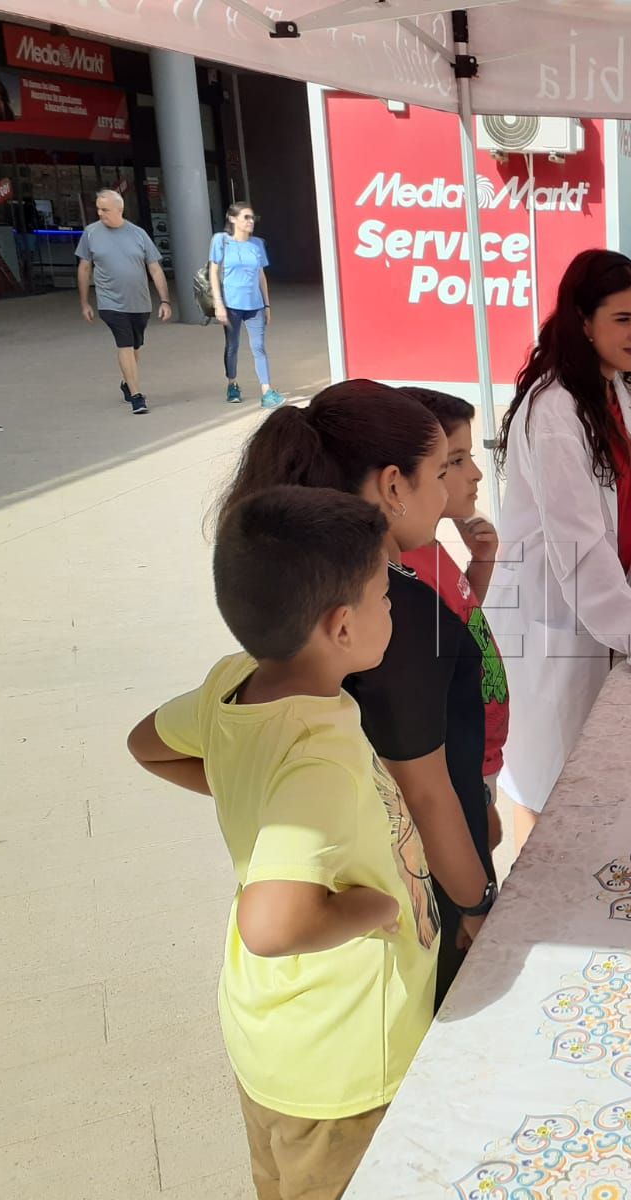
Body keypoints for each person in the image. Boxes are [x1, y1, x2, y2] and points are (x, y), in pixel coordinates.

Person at [125, 485, 438, 1200]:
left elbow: (147, 743)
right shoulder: (318, 753)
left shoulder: (233, 683)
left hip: (275, 1036)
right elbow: (270, 926)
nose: (392, 608)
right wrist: (375, 910)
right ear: (341, 627)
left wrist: (248, 795)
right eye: (383, 599)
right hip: (345, 1062)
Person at [219, 382, 495, 1005]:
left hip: (374, 872)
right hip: (422, 886)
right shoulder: (398, 614)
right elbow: (426, 791)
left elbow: (167, 741)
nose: (451, 486)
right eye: (439, 471)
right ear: (394, 486)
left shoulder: (317, 594)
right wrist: (478, 904)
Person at [488, 249, 631, 847]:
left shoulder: (620, 394)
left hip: (596, 610)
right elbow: (576, 540)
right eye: (622, 320)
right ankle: (535, 907)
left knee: (589, 760)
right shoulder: (555, 410)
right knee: (546, 773)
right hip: (550, 618)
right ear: (583, 321)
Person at [399, 388, 511, 858]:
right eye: (456, 461)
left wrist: (481, 563)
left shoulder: (432, 546)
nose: (476, 473)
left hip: (478, 758)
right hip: (455, 766)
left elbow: (458, 628)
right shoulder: (404, 570)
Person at [76, 189, 172, 415]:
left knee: (136, 345)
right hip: (110, 302)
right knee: (125, 344)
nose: (100, 213)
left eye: (105, 209)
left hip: (139, 302)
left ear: (119, 209)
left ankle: (126, 381)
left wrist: (165, 300)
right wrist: (84, 302)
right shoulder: (90, 233)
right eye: (98, 209)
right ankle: (137, 396)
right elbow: (84, 268)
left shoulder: (138, 234)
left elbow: (155, 268)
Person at [210, 201, 283, 408]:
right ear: (232, 219)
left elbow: (261, 276)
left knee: (259, 347)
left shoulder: (258, 243)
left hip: (256, 306)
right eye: (246, 217)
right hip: (231, 304)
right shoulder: (221, 241)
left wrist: (267, 305)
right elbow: (213, 272)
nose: (251, 221)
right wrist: (218, 304)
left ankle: (267, 391)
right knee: (232, 346)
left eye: (252, 218)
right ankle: (232, 384)